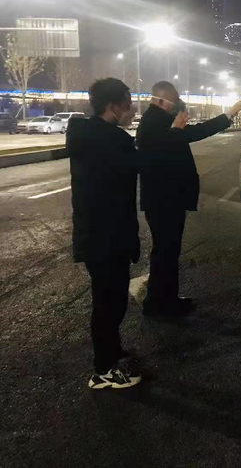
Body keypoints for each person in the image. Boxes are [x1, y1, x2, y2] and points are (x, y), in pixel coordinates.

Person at [68, 78, 185, 389]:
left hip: (99, 232)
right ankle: (104, 370)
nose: (132, 109)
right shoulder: (109, 140)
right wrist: (174, 133)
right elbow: (145, 163)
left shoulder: (92, 135)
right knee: (108, 304)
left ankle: (111, 353)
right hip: (105, 236)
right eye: (128, 103)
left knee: (110, 301)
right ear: (112, 106)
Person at [136, 81, 241, 317]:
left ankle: (165, 300)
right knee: (165, 252)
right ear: (160, 100)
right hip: (163, 199)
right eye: (174, 99)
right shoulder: (153, 121)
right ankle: (159, 305)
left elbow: (195, 132)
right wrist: (176, 130)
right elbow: (158, 152)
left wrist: (228, 115)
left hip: (168, 198)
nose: (178, 103)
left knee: (168, 252)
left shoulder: (161, 119)